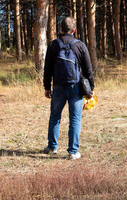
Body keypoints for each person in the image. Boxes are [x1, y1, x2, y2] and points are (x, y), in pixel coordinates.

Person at [43, 16, 94, 160]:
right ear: (74, 30)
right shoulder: (80, 45)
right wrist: (91, 88)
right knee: (75, 119)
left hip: (58, 87)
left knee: (55, 117)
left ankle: (52, 147)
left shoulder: (54, 45)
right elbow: (88, 69)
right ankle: (73, 152)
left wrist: (47, 87)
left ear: (61, 29)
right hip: (76, 87)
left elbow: (47, 69)